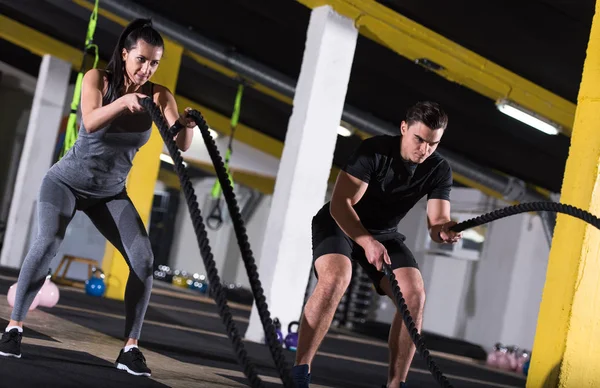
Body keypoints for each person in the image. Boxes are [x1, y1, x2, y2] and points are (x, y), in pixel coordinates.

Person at [0, 18, 196, 377]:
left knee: (144, 259)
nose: (146, 69)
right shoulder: (97, 79)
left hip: (109, 194)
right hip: (65, 183)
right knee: (46, 244)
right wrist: (125, 103)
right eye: (141, 59)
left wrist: (186, 125)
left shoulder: (159, 95)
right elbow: (89, 122)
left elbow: (179, 144)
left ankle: (130, 348)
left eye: (154, 63)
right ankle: (14, 328)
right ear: (124, 54)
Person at [291, 101, 463, 388]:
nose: (424, 150)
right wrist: (365, 241)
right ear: (404, 128)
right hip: (340, 222)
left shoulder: (439, 169)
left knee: (414, 296)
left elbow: (437, 222)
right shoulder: (374, 151)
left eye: (432, 144)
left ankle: (396, 384)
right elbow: (341, 204)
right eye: (418, 140)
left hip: (384, 233)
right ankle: (300, 371)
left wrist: (444, 230)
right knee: (336, 279)